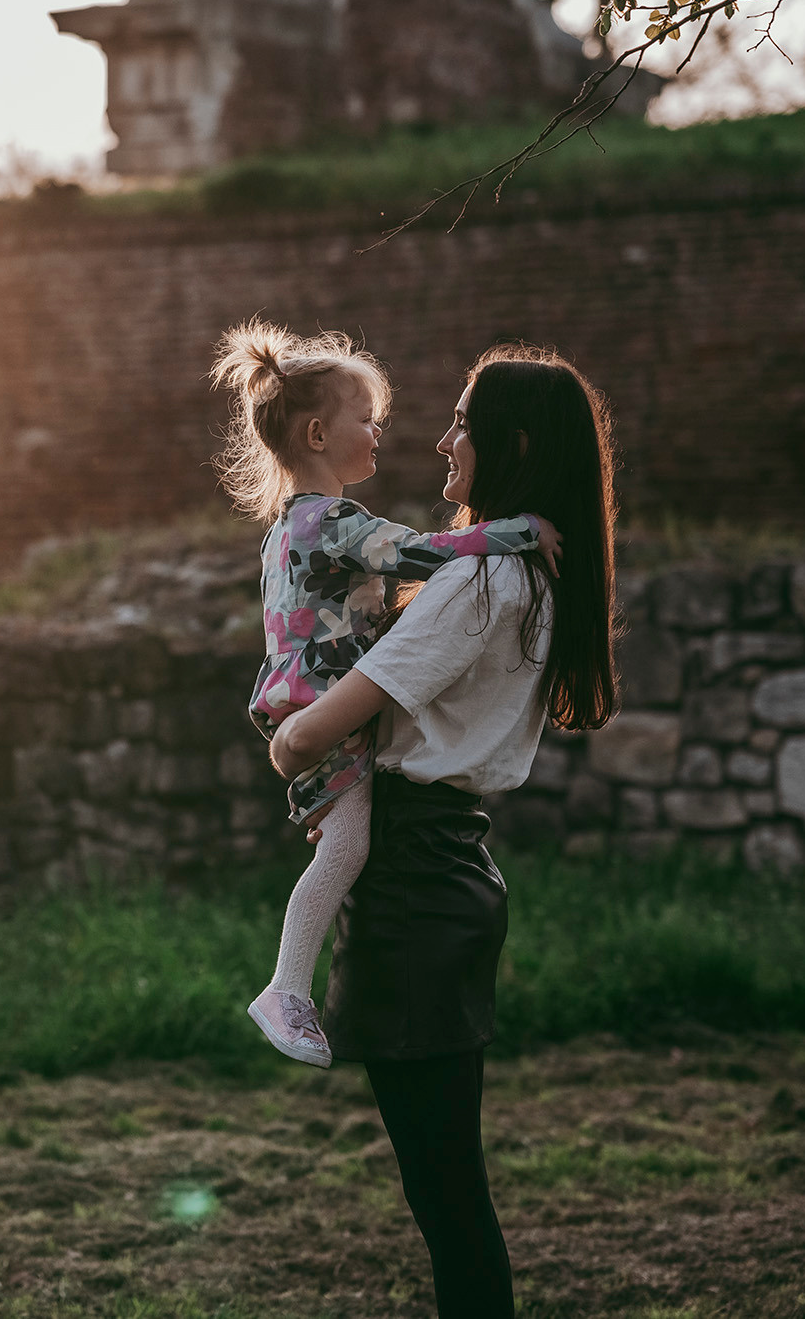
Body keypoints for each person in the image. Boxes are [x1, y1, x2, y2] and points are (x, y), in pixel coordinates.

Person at [267, 345, 619, 1317]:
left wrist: (285, 738)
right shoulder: (533, 576)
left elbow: (317, 728)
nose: (439, 438)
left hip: (413, 882)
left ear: (504, 442)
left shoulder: (476, 584)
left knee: (446, 1196)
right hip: (450, 865)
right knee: (448, 1190)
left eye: (459, 421)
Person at [209, 322, 560, 1068]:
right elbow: (421, 552)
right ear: (315, 432)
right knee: (348, 844)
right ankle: (285, 989)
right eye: (365, 420)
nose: (379, 435)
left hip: (304, 705)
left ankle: (288, 986)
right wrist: (519, 532)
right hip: (317, 712)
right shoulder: (332, 521)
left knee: (341, 840)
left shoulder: (290, 529)